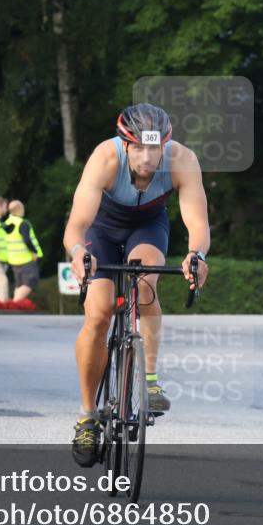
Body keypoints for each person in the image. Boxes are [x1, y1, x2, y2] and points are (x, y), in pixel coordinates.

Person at [62, 103, 210, 467]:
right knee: (99, 314)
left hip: (148, 226)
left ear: (165, 144)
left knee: (145, 284)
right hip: (102, 229)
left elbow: (197, 224)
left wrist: (196, 255)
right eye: (139, 148)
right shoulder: (105, 159)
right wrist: (79, 253)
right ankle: (87, 417)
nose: (147, 157)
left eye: (154, 147)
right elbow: (76, 227)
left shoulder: (182, 160)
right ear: (125, 144)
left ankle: (151, 380)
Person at [2, 200, 43, 302]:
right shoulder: (22, 223)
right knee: (30, 282)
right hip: (26, 259)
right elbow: (27, 240)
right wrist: (34, 252)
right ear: (19, 209)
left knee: (19, 285)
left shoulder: (6, 224)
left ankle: (15, 305)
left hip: (13, 260)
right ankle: (14, 304)